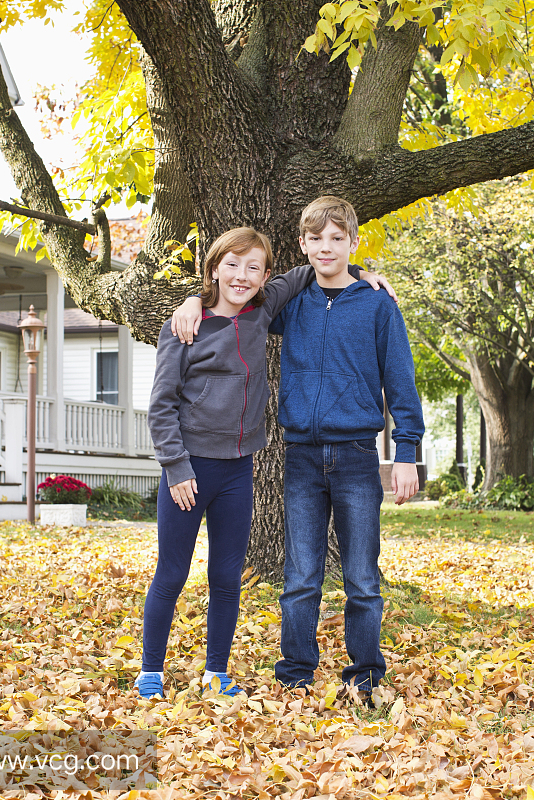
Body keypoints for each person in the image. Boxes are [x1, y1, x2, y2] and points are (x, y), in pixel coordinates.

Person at [140, 226, 392, 700]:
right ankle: (151, 668)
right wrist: (175, 467)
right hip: (189, 471)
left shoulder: (262, 311)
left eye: (253, 267)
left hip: (238, 469)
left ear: (266, 276)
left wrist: (361, 273)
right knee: (172, 572)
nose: (241, 275)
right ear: (213, 268)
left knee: (226, 575)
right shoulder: (184, 327)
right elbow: (161, 406)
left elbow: (313, 268)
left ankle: (216, 670)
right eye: (231, 265)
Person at [268, 195, 424, 699]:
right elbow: (234, 300)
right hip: (302, 457)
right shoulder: (290, 304)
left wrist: (406, 453)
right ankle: (295, 674)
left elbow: (401, 382)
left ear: (354, 242)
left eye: (338, 238)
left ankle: (365, 675)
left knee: (361, 575)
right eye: (316, 239)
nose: (327, 247)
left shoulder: (378, 305)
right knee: (301, 575)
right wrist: (189, 302)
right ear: (303, 245)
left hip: (357, 456)